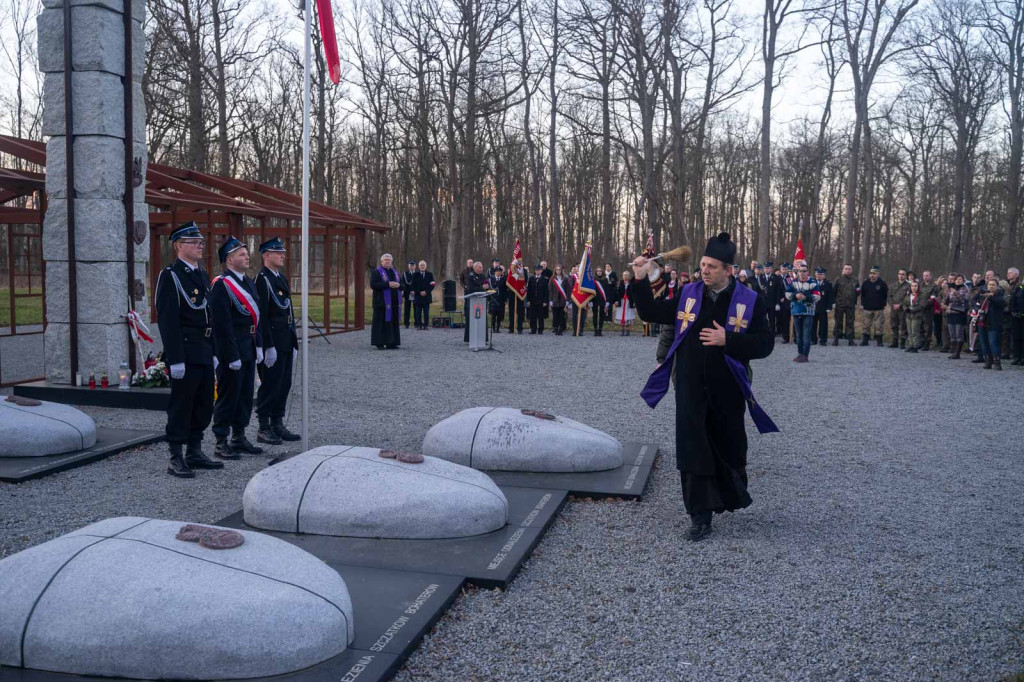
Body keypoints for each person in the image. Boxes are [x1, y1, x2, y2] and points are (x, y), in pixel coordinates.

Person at [631, 232, 775, 542]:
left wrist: (728, 339)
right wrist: (640, 279)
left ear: (728, 270)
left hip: (728, 389)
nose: (704, 270)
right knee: (692, 447)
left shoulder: (750, 301)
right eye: (703, 265)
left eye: (712, 266)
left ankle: (725, 496)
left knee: (728, 445)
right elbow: (651, 313)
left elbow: (765, 344)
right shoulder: (689, 294)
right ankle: (699, 516)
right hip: (690, 386)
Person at [154, 222, 222, 477]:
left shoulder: (202, 274)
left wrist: (214, 352)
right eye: (194, 242)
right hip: (185, 350)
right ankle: (176, 456)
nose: (200, 246)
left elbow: (209, 316)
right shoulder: (171, 275)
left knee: (204, 403)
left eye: (201, 242)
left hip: (203, 349)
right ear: (179, 246)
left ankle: (194, 450)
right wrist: (175, 358)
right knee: (182, 404)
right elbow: (168, 320)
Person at [209, 236, 264, 459]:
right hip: (231, 349)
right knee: (228, 395)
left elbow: (256, 318)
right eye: (242, 254)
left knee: (245, 395)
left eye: (247, 253)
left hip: (248, 346)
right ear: (229, 260)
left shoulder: (248, 282)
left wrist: (259, 345)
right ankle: (221, 441)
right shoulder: (222, 284)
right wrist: (231, 355)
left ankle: (239, 437)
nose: (247, 256)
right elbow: (222, 324)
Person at [254, 237, 300, 446]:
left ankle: (277, 423)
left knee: (284, 383)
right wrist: (267, 345)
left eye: (283, 252)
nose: (283, 255)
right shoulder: (262, 279)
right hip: (272, 340)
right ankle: (264, 427)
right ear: (266, 255)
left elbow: (288, 310)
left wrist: (293, 340)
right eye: (278, 252)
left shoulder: (281, 278)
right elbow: (262, 315)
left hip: (285, 339)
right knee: (270, 384)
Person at [786, 265, 820, 362]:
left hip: (808, 312)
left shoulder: (813, 283)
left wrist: (805, 297)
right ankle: (800, 353)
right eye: (800, 271)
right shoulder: (793, 282)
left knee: (806, 334)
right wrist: (795, 295)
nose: (802, 273)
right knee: (798, 334)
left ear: (807, 272)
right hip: (796, 311)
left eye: (804, 271)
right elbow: (787, 294)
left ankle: (805, 355)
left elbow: (817, 296)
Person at [369, 254, 403, 350]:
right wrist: (388, 284)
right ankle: (379, 343)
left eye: (389, 260)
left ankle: (391, 343)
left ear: (391, 262)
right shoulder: (376, 272)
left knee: (392, 323)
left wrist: (399, 285)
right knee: (380, 323)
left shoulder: (395, 273)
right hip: (381, 302)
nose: (387, 261)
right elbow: (373, 284)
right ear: (381, 262)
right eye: (385, 260)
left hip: (394, 303)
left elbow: (403, 285)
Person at [977, 277, 1006, 370]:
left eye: (993, 285)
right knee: (984, 343)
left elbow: (999, 303)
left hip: (994, 323)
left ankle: (997, 362)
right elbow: (976, 303)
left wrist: (990, 297)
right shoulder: (983, 295)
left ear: (997, 286)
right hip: (983, 322)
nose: (991, 286)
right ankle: (987, 361)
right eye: (989, 284)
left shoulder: (1000, 295)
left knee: (993, 343)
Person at [860, 265, 888, 346]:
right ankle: (865, 340)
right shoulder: (865, 283)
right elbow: (862, 295)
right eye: (871, 273)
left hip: (878, 308)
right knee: (866, 325)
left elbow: (885, 295)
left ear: (878, 274)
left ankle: (879, 341)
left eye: (874, 273)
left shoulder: (882, 283)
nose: (872, 275)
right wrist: (862, 304)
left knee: (879, 325)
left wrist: (883, 305)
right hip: (867, 308)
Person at [944, 274, 970, 360]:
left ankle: (957, 353)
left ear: (963, 281)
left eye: (960, 279)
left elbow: (963, 300)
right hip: (951, 313)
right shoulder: (951, 288)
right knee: (952, 334)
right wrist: (947, 295)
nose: (958, 281)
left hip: (960, 314)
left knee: (959, 334)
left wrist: (955, 292)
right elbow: (947, 300)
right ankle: (953, 351)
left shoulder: (965, 289)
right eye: (956, 279)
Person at [831, 264, 858, 346]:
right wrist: (834, 302)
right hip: (840, 304)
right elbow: (834, 291)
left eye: (849, 269)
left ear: (851, 270)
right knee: (838, 322)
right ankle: (836, 338)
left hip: (851, 304)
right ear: (843, 270)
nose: (848, 270)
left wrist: (854, 300)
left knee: (850, 322)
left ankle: (850, 339)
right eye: (846, 269)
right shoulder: (838, 279)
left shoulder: (855, 280)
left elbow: (858, 291)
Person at [464, 261, 490, 342]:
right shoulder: (470, 277)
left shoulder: (483, 276)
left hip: (482, 301)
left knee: (482, 319)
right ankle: (469, 338)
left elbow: (487, 285)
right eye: (479, 267)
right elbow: (470, 289)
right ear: (475, 268)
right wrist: (482, 287)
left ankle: (483, 338)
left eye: (482, 267)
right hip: (472, 301)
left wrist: (487, 287)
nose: (481, 269)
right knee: (471, 319)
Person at [887, 268, 911, 348]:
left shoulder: (909, 286)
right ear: (897, 275)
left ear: (906, 276)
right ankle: (895, 341)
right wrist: (893, 304)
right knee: (894, 325)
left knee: (903, 325)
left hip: (903, 309)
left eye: (903, 274)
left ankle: (902, 342)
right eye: (900, 274)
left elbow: (908, 298)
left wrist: (900, 305)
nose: (901, 276)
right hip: (893, 309)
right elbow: (889, 297)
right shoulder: (892, 286)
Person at [811, 267, 833, 346]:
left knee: (823, 325)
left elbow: (830, 296)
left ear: (824, 275)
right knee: (812, 324)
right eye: (818, 274)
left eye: (821, 274)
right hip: (813, 307)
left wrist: (829, 307)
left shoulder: (828, 284)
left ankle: (823, 340)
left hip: (823, 307)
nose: (819, 275)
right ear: (815, 274)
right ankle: (813, 339)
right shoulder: (812, 282)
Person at [903, 280, 926, 354]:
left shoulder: (921, 295)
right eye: (912, 286)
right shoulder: (908, 295)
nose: (914, 287)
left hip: (917, 316)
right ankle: (911, 345)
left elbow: (922, 305)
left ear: (918, 287)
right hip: (908, 315)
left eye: (915, 286)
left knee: (915, 332)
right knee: (909, 332)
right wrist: (906, 309)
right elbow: (904, 303)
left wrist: (912, 309)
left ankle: (915, 346)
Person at [918, 270, 939, 350]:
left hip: (928, 310)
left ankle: (927, 344)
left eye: (927, 275)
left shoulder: (934, 286)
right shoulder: (920, 286)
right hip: (919, 309)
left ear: (930, 276)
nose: (925, 277)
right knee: (920, 326)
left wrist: (924, 305)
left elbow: (932, 298)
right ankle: (921, 342)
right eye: (924, 275)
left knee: (927, 327)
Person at [411, 260, 435, 330]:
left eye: (423, 265)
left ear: (426, 266)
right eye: (421, 265)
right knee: (418, 313)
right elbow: (413, 285)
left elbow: (432, 285)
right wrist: (419, 292)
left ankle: (426, 325)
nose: (422, 266)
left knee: (426, 313)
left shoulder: (430, 274)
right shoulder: (415, 275)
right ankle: (419, 325)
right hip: (418, 296)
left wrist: (426, 292)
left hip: (427, 296)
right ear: (419, 266)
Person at [527, 264, 550, 334]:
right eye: (536, 270)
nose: (537, 271)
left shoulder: (544, 280)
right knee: (532, 316)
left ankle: (540, 329)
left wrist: (545, 301)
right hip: (533, 300)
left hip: (541, 300)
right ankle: (533, 329)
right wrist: (528, 300)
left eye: (539, 270)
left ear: (541, 271)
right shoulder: (531, 279)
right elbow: (529, 290)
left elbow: (546, 292)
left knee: (540, 316)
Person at [549, 264, 572, 335]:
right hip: (555, 300)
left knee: (562, 316)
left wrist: (568, 300)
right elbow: (550, 290)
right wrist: (550, 300)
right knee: (555, 315)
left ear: (561, 270)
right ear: (555, 270)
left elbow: (568, 290)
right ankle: (555, 328)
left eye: (559, 269)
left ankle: (561, 329)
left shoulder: (565, 279)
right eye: (557, 269)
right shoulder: (552, 279)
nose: (558, 271)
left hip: (563, 300)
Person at [1009, 267, 1024, 365]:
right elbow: (1013, 300)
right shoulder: (1019, 288)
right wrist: (1013, 311)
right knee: (1017, 337)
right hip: (1017, 317)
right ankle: (1017, 356)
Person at [506, 260, 526, 333]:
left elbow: (525, 281)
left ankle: (520, 328)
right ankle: (511, 327)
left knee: (520, 312)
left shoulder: (524, 271)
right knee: (511, 312)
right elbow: (508, 282)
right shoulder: (511, 271)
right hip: (512, 294)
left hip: (520, 293)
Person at [616, 270, 636, 335]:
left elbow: (634, 293)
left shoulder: (632, 284)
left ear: (629, 276)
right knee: (622, 314)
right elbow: (618, 293)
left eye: (627, 275)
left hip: (629, 301)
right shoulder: (620, 284)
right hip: (622, 301)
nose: (625, 276)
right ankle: (622, 330)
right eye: (624, 275)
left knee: (628, 314)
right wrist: (617, 301)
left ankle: (627, 330)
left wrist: (634, 302)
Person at [488, 265, 506, 333]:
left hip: (500, 300)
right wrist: (489, 299)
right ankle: (493, 328)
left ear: (501, 272)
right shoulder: (491, 279)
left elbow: (505, 291)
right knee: (493, 315)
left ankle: (498, 328)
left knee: (499, 315)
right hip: (493, 299)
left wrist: (505, 300)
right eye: (497, 271)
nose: (498, 272)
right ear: (494, 272)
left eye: (499, 271)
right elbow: (488, 290)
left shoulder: (503, 280)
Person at [592, 266, 610, 336]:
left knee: (602, 315)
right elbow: (591, 290)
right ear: (596, 272)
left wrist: (607, 301)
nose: (599, 272)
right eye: (598, 271)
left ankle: (600, 330)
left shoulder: (605, 279)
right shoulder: (593, 280)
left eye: (600, 271)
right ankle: (595, 330)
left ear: (602, 272)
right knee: (595, 315)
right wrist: (590, 301)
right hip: (594, 299)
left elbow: (607, 290)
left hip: (603, 299)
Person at [401, 260, 416, 328]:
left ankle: (417, 323)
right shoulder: (405, 273)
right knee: (407, 309)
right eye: (410, 265)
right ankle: (406, 323)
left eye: (413, 265)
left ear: (415, 266)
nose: (411, 267)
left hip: (416, 294)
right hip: (407, 293)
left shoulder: (417, 273)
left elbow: (419, 284)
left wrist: (415, 291)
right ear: (408, 266)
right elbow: (403, 284)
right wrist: (410, 291)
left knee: (416, 309)